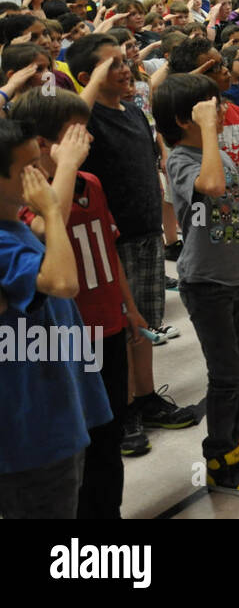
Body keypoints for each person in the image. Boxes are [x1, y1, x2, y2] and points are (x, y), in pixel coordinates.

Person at [154, 74, 239, 496]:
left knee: (236, 372)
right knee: (225, 376)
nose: (221, 107)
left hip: (232, 278)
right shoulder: (181, 160)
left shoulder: (216, 155)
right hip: (204, 283)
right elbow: (209, 187)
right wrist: (209, 130)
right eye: (209, 105)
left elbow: (232, 223)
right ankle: (219, 461)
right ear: (184, 118)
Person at [69, 35, 197, 435]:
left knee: (143, 322)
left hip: (145, 231)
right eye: (113, 64)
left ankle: (144, 397)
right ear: (89, 77)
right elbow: (72, 120)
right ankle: (119, 411)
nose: (126, 68)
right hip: (112, 239)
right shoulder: (86, 117)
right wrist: (90, 83)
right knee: (118, 327)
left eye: (125, 60)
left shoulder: (130, 111)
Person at [0, 117, 113, 518]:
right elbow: (63, 281)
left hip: (57, 412)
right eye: (29, 166)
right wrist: (48, 202)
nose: (42, 170)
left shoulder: (14, 225)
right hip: (32, 433)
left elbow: (52, 229)